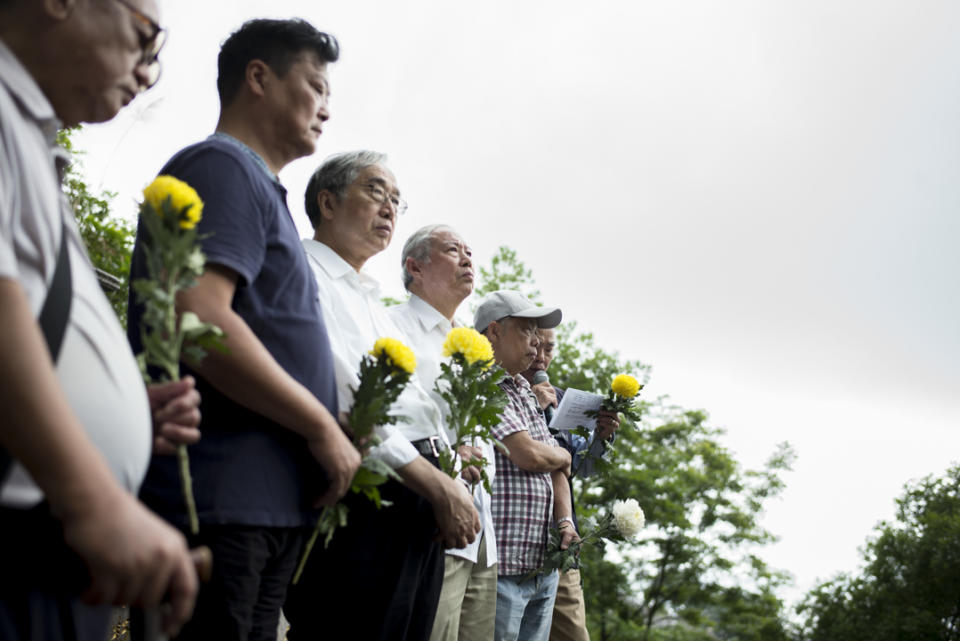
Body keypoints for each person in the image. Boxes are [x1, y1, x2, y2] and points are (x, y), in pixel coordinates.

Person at [126, 18, 360, 641]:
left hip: (266, 508)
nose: (326, 111)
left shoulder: (261, 187)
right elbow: (198, 319)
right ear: (259, 77)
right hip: (220, 499)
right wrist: (320, 426)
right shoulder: (220, 166)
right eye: (316, 87)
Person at [0, 0, 201, 639]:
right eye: (146, 39)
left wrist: (121, 413)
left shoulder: (26, 133)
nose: (149, 74)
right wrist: (90, 497)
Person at [284, 152, 481, 641]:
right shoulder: (304, 273)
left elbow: (414, 403)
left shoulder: (366, 297)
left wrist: (447, 471)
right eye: (376, 191)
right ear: (327, 202)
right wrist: (435, 484)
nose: (390, 207)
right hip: (373, 491)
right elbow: (349, 396)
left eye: (397, 199)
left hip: (418, 495)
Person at [389, 225, 499, 641]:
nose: (468, 259)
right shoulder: (393, 328)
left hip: (481, 528)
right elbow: (393, 420)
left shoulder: (470, 341)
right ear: (415, 267)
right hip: (432, 519)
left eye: (470, 251)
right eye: (453, 250)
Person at [473, 290, 578, 641]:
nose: (536, 344)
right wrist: (564, 456)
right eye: (526, 331)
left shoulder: (521, 387)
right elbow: (528, 454)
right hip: (503, 565)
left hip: (540, 565)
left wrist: (565, 521)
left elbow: (552, 465)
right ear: (494, 332)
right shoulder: (485, 384)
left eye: (538, 334)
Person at [520, 328, 619, 641]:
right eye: (536, 346)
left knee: (574, 633)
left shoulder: (562, 400)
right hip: (510, 539)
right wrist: (530, 406)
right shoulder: (496, 391)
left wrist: (601, 437)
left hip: (559, 542)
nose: (542, 357)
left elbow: (580, 466)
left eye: (549, 348)